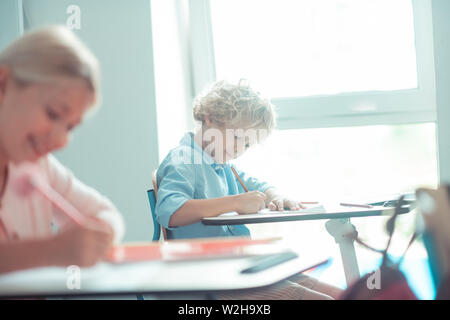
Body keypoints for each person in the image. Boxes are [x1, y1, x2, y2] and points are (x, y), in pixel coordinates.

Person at [155, 79, 342, 299]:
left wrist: (276, 195)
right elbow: (170, 212)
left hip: (241, 267)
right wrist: (234, 202)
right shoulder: (183, 160)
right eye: (236, 137)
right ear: (211, 118)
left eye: (246, 144)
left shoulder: (223, 166)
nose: (238, 149)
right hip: (211, 278)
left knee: (337, 293)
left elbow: (257, 185)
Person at [0, 26, 125, 274]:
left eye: (70, 127)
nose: (60, 140)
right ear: (3, 85)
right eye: (53, 113)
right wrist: (51, 250)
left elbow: (107, 215)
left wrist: (91, 239)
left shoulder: (38, 167)